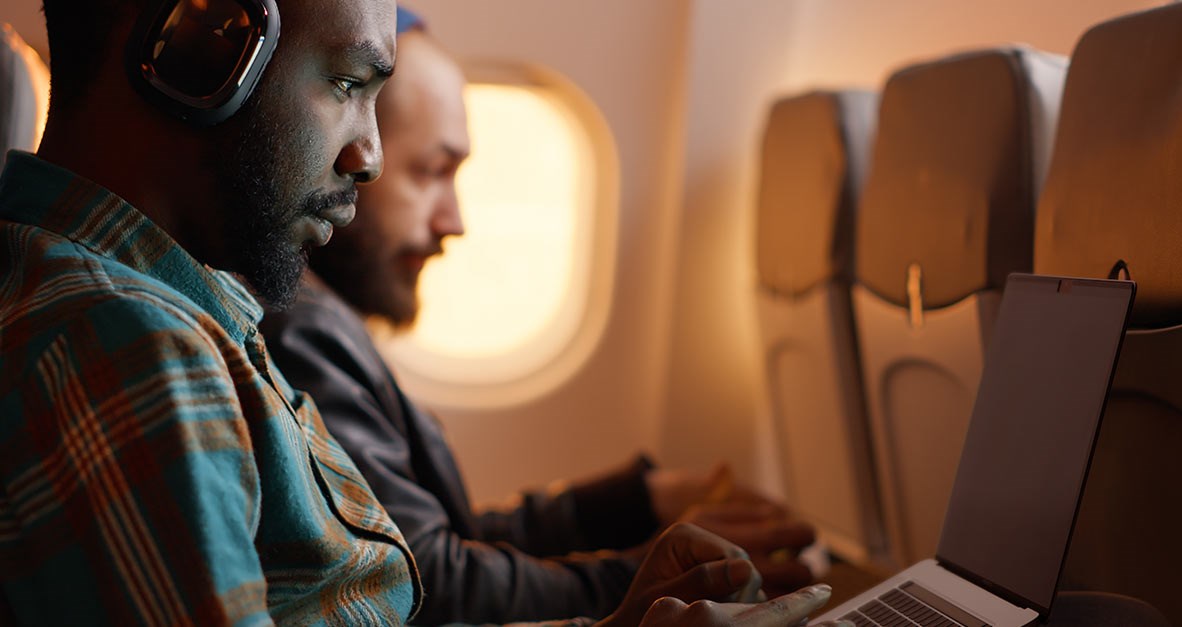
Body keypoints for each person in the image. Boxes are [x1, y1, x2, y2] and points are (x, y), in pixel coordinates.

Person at [0, 0, 848, 625]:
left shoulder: (193, 314)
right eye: (345, 83)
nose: (367, 155)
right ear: (196, 48)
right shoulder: (119, 337)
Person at [262, 9, 819, 625]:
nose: (455, 222)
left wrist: (639, 500)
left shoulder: (324, 318)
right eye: (430, 171)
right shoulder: (300, 328)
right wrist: (656, 577)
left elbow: (454, 531)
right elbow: (430, 577)